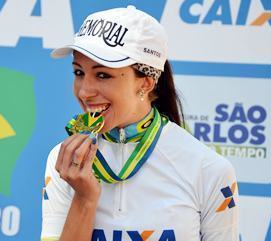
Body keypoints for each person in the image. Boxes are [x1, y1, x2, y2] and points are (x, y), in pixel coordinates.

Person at [41, 5, 239, 241]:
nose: (84, 91)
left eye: (103, 75)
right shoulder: (64, 162)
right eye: (78, 72)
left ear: (145, 83)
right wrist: (84, 199)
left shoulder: (208, 169)